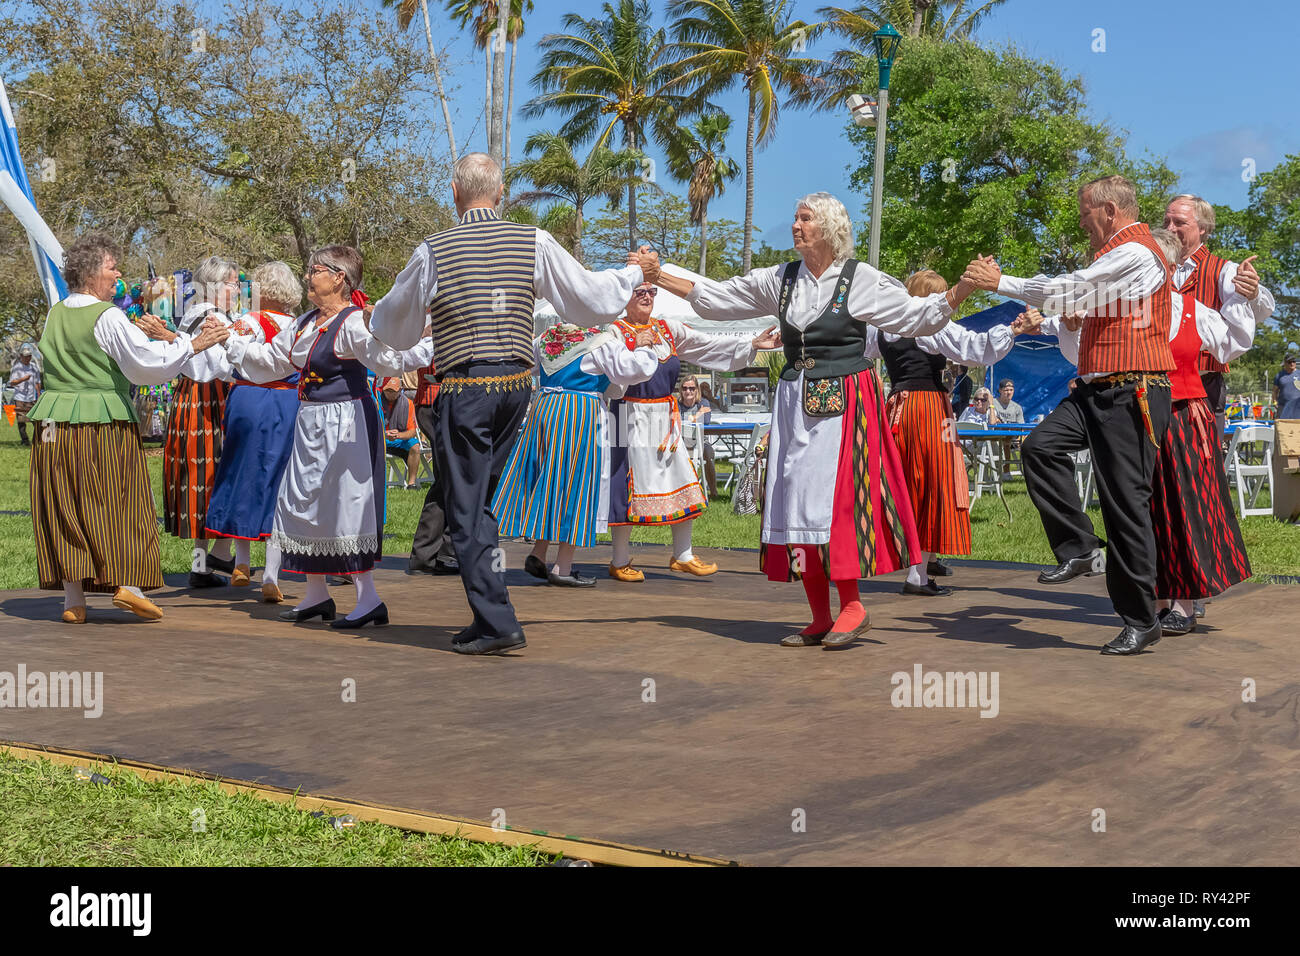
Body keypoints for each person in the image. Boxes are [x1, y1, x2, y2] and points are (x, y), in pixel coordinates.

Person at [653, 192, 974, 649]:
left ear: (828, 227)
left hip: (846, 403)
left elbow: (914, 315)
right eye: (795, 216)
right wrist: (658, 276)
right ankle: (820, 614)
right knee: (795, 503)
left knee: (836, 504)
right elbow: (718, 298)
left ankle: (853, 606)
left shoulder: (858, 279)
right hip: (794, 400)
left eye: (805, 218)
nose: (796, 225)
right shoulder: (781, 279)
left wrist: (960, 290)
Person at [368, 152, 649, 656]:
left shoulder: (435, 249)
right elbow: (588, 297)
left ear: (454, 193)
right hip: (517, 387)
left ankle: (496, 619)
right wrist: (629, 274)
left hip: (466, 387)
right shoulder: (533, 241)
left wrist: (375, 319)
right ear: (500, 194)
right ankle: (489, 612)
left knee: (466, 505)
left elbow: (394, 325)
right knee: (484, 500)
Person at [963, 174, 1175, 656]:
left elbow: (1072, 286)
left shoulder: (1137, 252)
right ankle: (1080, 546)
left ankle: (1142, 620)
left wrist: (1003, 282)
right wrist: (1063, 316)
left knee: (1124, 505)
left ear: (1109, 211)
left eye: (1084, 213)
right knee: (1039, 447)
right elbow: (1077, 302)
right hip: (1099, 388)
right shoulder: (1114, 260)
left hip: (1133, 389)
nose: (1081, 222)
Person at [1043, 228, 1259, 636]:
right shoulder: (1112, 308)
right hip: (1133, 416)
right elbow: (1081, 359)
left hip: (1181, 416)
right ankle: (1154, 600)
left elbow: (1234, 343)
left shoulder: (1194, 311)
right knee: (1146, 507)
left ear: (1171, 269)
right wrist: (1071, 325)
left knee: (1184, 508)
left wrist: (1242, 299)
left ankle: (1185, 602)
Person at [28, 232, 228, 623]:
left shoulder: (55, 312)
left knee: (64, 502)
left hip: (50, 422)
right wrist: (194, 345)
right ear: (89, 274)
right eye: (111, 267)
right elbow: (145, 365)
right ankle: (127, 586)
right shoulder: (107, 315)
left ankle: (74, 601)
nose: (118, 275)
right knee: (116, 498)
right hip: (99, 419)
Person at [223, 245, 407, 628]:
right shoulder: (305, 322)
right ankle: (317, 595)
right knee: (301, 502)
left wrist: (389, 332)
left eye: (316, 270)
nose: (308, 275)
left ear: (340, 278)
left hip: (347, 422)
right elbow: (270, 361)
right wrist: (229, 340)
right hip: (310, 420)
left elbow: (387, 361)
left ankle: (368, 598)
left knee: (347, 504)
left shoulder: (354, 322)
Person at [604, 282, 778, 581]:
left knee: (682, 478)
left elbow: (705, 344)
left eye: (651, 291)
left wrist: (750, 345)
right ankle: (619, 560)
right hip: (628, 416)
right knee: (628, 486)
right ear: (624, 296)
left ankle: (682, 554)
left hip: (664, 417)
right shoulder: (614, 333)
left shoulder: (667, 329)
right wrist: (638, 347)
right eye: (639, 291)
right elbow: (613, 375)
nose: (647, 296)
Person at [872, 270, 1023, 597]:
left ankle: (927, 558)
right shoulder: (932, 324)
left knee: (909, 483)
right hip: (929, 409)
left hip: (897, 408)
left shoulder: (884, 326)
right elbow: (974, 348)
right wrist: (1012, 329)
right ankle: (918, 574)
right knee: (936, 483)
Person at [493, 322, 658, 586]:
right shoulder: (602, 341)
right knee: (576, 485)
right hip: (579, 413)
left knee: (550, 481)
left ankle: (538, 552)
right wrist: (642, 347)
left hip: (546, 408)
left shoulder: (549, 337)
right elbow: (634, 370)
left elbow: (527, 365)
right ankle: (563, 567)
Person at [201, 261, 302, 602]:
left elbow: (227, 359)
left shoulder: (249, 321)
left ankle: (242, 561)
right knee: (281, 481)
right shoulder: (302, 325)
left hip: (248, 399)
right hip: (288, 403)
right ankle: (271, 573)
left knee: (244, 474)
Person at [1163, 194, 1275, 435]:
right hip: (1158, 384)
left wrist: (1252, 291)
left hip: (1204, 386)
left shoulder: (1224, 270)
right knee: (1158, 467)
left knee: (1204, 464)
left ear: (1202, 228)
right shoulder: (1154, 269)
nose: (1170, 228)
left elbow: (1263, 310)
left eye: (1179, 222)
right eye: (1166, 222)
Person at [163, 255, 240, 588]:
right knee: (211, 478)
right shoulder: (210, 317)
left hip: (192, 399)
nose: (238, 290)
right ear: (216, 286)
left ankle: (201, 566)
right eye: (234, 284)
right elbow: (223, 367)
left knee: (200, 484)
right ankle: (216, 557)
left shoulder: (202, 314)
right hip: (209, 401)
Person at [678, 375, 718, 498]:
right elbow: (674, 421)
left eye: (691, 388)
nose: (688, 391)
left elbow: (705, 421)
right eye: (684, 388)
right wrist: (697, 415)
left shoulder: (704, 402)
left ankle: (713, 491)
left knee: (708, 453)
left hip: (701, 441)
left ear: (697, 390)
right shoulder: (677, 404)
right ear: (681, 390)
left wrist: (693, 418)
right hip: (681, 442)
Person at [380, 377, 421, 489]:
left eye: (393, 391)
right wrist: (384, 433)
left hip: (399, 439)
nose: (389, 394)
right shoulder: (377, 401)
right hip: (380, 438)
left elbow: (412, 431)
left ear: (400, 390)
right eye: (387, 390)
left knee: (415, 446)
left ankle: (411, 483)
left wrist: (398, 435)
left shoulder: (408, 403)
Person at [8, 346, 40, 446]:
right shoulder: (17, 367)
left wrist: (39, 396)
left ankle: (39, 439)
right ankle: (25, 441)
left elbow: (37, 382)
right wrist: (22, 379)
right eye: (26, 356)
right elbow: (12, 383)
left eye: (29, 356)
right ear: (21, 356)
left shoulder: (34, 367)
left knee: (35, 419)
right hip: (20, 398)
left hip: (32, 397)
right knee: (21, 421)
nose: (28, 358)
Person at [1274, 355, 1300, 420]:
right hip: (1283, 406)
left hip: (1297, 407)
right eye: (1289, 362)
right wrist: (1275, 402)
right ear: (1285, 363)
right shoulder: (1279, 375)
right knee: (1282, 426)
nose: (1292, 363)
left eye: (1294, 361)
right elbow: (1275, 391)